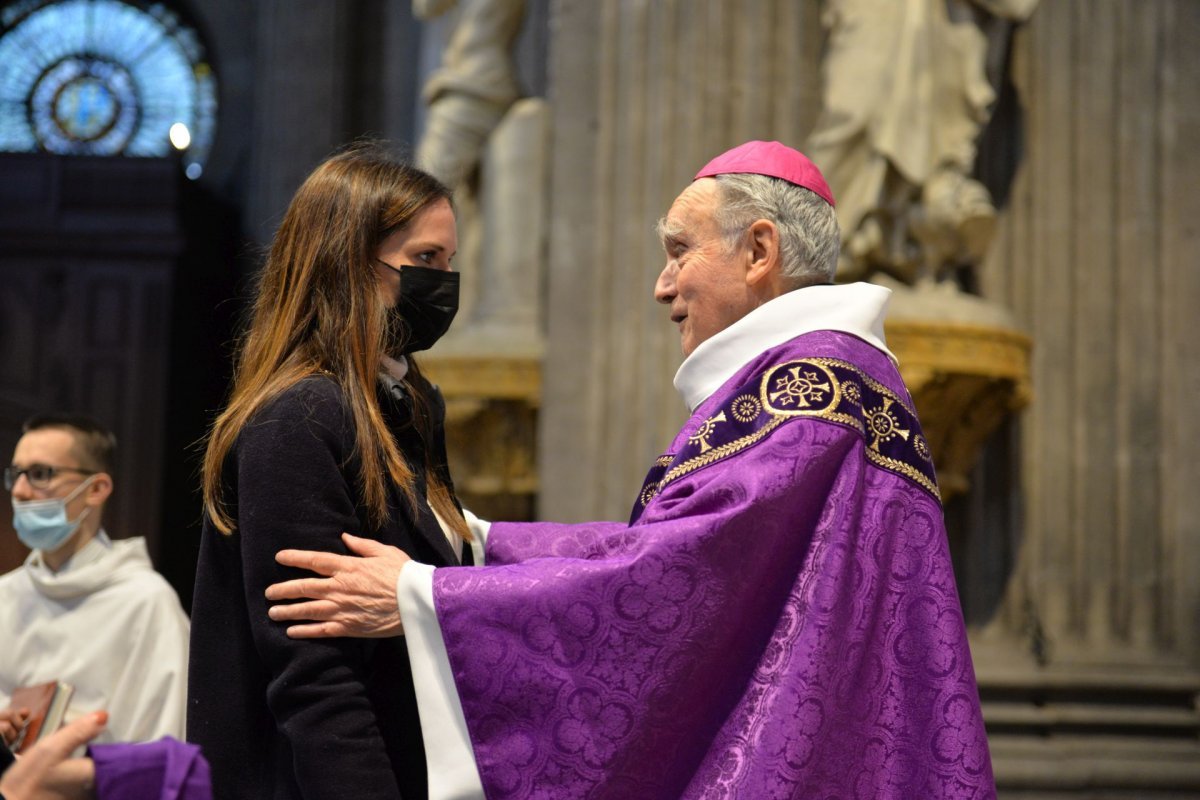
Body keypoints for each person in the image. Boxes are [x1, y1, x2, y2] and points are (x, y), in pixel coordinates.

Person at [266, 141, 995, 799]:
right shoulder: (842, 381)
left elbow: (671, 579)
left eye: (680, 251)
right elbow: (677, 553)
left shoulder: (807, 389)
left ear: (760, 249)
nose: (662, 285)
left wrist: (426, 596)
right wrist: (481, 546)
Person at [187, 143, 472, 800]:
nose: (445, 282)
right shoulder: (300, 418)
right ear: (348, 262)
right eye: (425, 260)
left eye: (450, 261)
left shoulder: (407, 402)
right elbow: (315, 679)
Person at [0, 414, 189, 747]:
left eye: (41, 474)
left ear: (97, 489)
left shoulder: (146, 603)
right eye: (15, 475)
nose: (20, 491)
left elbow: (165, 747)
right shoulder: (5, 594)